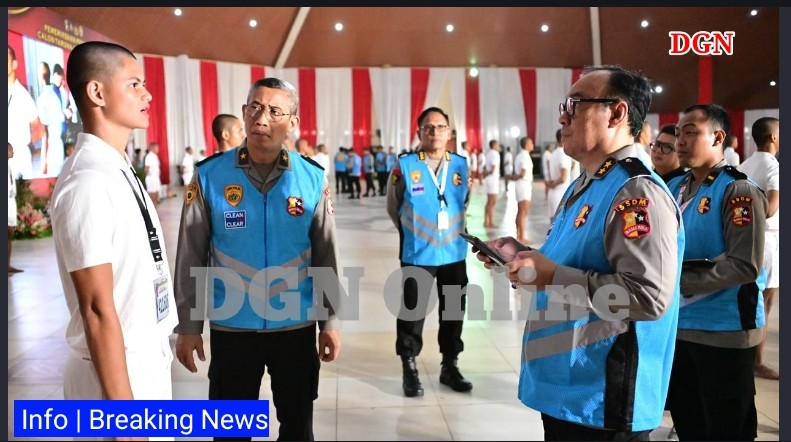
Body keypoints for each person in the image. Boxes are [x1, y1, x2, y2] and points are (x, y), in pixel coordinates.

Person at [476, 65, 683, 441]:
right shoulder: (589, 182)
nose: (562, 117)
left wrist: (552, 276)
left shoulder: (636, 191)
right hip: (569, 388)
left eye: (575, 105)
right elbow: (576, 259)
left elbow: (648, 296)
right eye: (564, 105)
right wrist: (524, 256)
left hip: (602, 400)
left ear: (616, 113)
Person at [174, 77, 341, 441]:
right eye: (255, 107)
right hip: (232, 327)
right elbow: (191, 255)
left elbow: (325, 254)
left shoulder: (312, 178)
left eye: (275, 111)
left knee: (297, 429)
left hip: (294, 327)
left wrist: (329, 320)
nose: (262, 118)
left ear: (292, 122)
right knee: (232, 431)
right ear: (244, 113)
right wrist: (188, 326)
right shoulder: (209, 176)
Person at [49, 41, 178, 409]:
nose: (147, 95)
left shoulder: (116, 167)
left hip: (143, 358)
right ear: (97, 92)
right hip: (115, 374)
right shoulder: (87, 180)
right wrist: (123, 411)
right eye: (134, 84)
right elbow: (95, 307)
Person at [666, 103, 767, 441]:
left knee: (726, 426)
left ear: (718, 136)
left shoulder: (738, 191)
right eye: (678, 133)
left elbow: (744, 265)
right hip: (679, 326)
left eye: (690, 132)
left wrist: (676, 283)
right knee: (689, 421)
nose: (680, 141)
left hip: (724, 329)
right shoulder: (675, 187)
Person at [386, 106, 473, 398]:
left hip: (454, 251)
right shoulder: (405, 165)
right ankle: (409, 366)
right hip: (418, 252)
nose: (435, 132)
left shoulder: (460, 165)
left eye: (440, 126)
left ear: (449, 133)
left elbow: (464, 201)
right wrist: (412, 234)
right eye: (428, 127)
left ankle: (450, 365)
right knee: (413, 311)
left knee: (453, 310)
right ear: (419, 132)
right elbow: (393, 206)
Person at [738, 117, 780, 381]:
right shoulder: (773, 166)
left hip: (746, 238)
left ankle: (747, 358)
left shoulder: (744, 164)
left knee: (750, 298)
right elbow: (771, 208)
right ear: (774, 137)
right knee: (764, 302)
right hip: (768, 239)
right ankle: (758, 362)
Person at [8, 45, 41, 179]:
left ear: (14, 64)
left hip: (18, 160)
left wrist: (22, 146)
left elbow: (39, 129)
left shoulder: (23, 95)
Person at [511, 136, 534, 244]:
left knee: (520, 210)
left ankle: (518, 235)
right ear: (526, 145)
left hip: (521, 185)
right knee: (523, 211)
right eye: (531, 143)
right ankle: (521, 237)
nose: (532, 145)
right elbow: (523, 172)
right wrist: (516, 176)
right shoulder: (525, 155)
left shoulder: (520, 155)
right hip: (523, 184)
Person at [546, 132, 572, 221]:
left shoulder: (553, 153)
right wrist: (553, 184)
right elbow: (563, 178)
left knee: (553, 224)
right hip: (560, 194)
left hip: (553, 194)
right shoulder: (563, 154)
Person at [8, 142, 22, 274]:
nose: (13, 152)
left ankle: (7, 265)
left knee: (9, 235)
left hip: (11, 204)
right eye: (10, 149)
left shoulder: (9, 166)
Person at [483, 139, 501, 227]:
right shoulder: (495, 154)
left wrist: (486, 173)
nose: (498, 146)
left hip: (489, 179)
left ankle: (486, 221)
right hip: (493, 179)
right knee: (492, 201)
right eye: (497, 145)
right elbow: (493, 168)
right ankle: (490, 222)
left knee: (489, 201)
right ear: (494, 145)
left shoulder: (489, 153)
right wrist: (488, 172)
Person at [144, 141, 162, 205]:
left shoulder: (155, 156)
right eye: (157, 148)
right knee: (152, 195)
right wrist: (149, 176)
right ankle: (151, 208)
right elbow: (146, 169)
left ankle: (155, 207)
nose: (158, 149)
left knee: (156, 194)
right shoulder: (149, 156)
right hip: (151, 178)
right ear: (152, 148)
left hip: (155, 177)